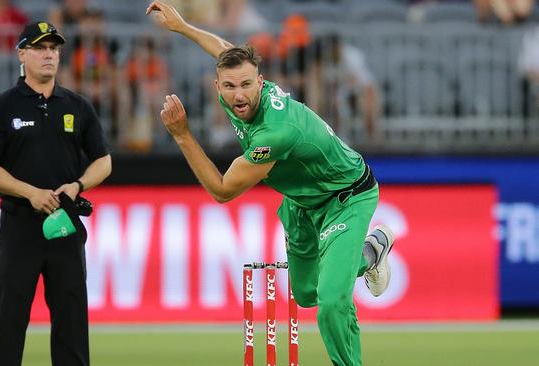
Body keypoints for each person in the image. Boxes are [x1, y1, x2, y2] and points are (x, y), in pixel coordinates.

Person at [146, 2, 395, 365]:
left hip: (346, 197)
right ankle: (372, 253)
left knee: (330, 303)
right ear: (218, 85)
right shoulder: (237, 87)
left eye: (247, 85)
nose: (239, 95)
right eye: (230, 87)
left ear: (260, 83)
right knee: (308, 293)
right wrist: (183, 27)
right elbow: (224, 51)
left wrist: (183, 135)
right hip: (300, 202)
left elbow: (222, 190)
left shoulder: (274, 133)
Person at [0, 21, 112, 366]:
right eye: (40, 47)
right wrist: (30, 192)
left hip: (64, 226)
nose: (49, 54)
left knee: (72, 321)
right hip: (21, 226)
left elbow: (103, 161)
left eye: (54, 48)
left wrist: (79, 185)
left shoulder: (76, 106)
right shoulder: (4, 107)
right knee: (11, 320)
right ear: (22, 54)